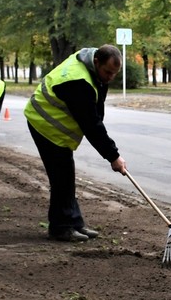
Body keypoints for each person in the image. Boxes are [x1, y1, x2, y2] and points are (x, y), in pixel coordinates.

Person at [24, 44, 127, 242]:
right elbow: (91, 125)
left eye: (114, 74)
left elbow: (96, 113)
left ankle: (74, 222)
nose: (110, 77)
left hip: (54, 126)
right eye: (107, 72)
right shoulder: (78, 82)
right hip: (44, 123)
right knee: (61, 177)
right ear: (97, 62)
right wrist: (113, 156)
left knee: (66, 176)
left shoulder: (93, 70)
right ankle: (60, 228)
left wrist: (109, 149)